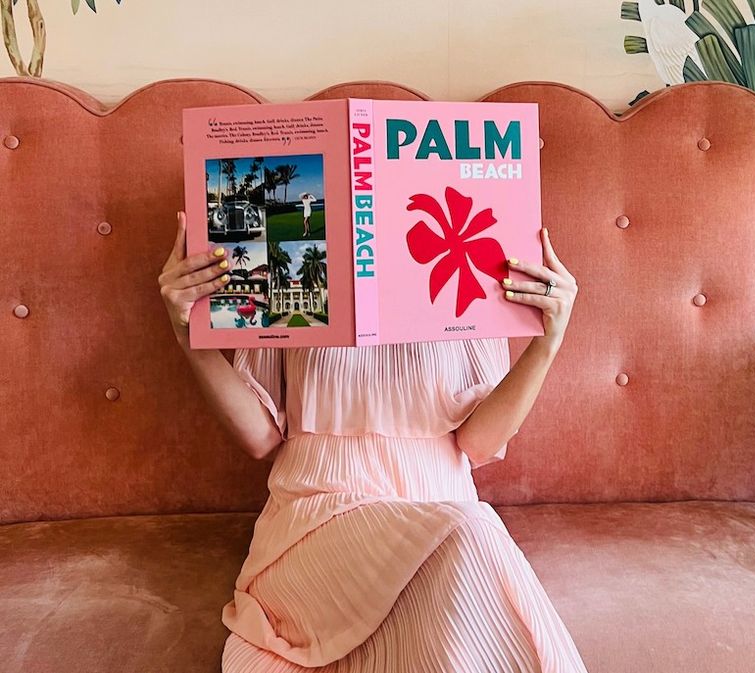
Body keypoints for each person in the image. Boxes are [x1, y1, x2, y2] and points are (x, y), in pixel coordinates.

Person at [158, 212, 587, 673]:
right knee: (471, 532)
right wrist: (188, 336)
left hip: (440, 512)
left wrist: (548, 342)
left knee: (470, 536)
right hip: (317, 514)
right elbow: (261, 437)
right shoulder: (296, 260)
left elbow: (479, 443)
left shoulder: (466, 262)